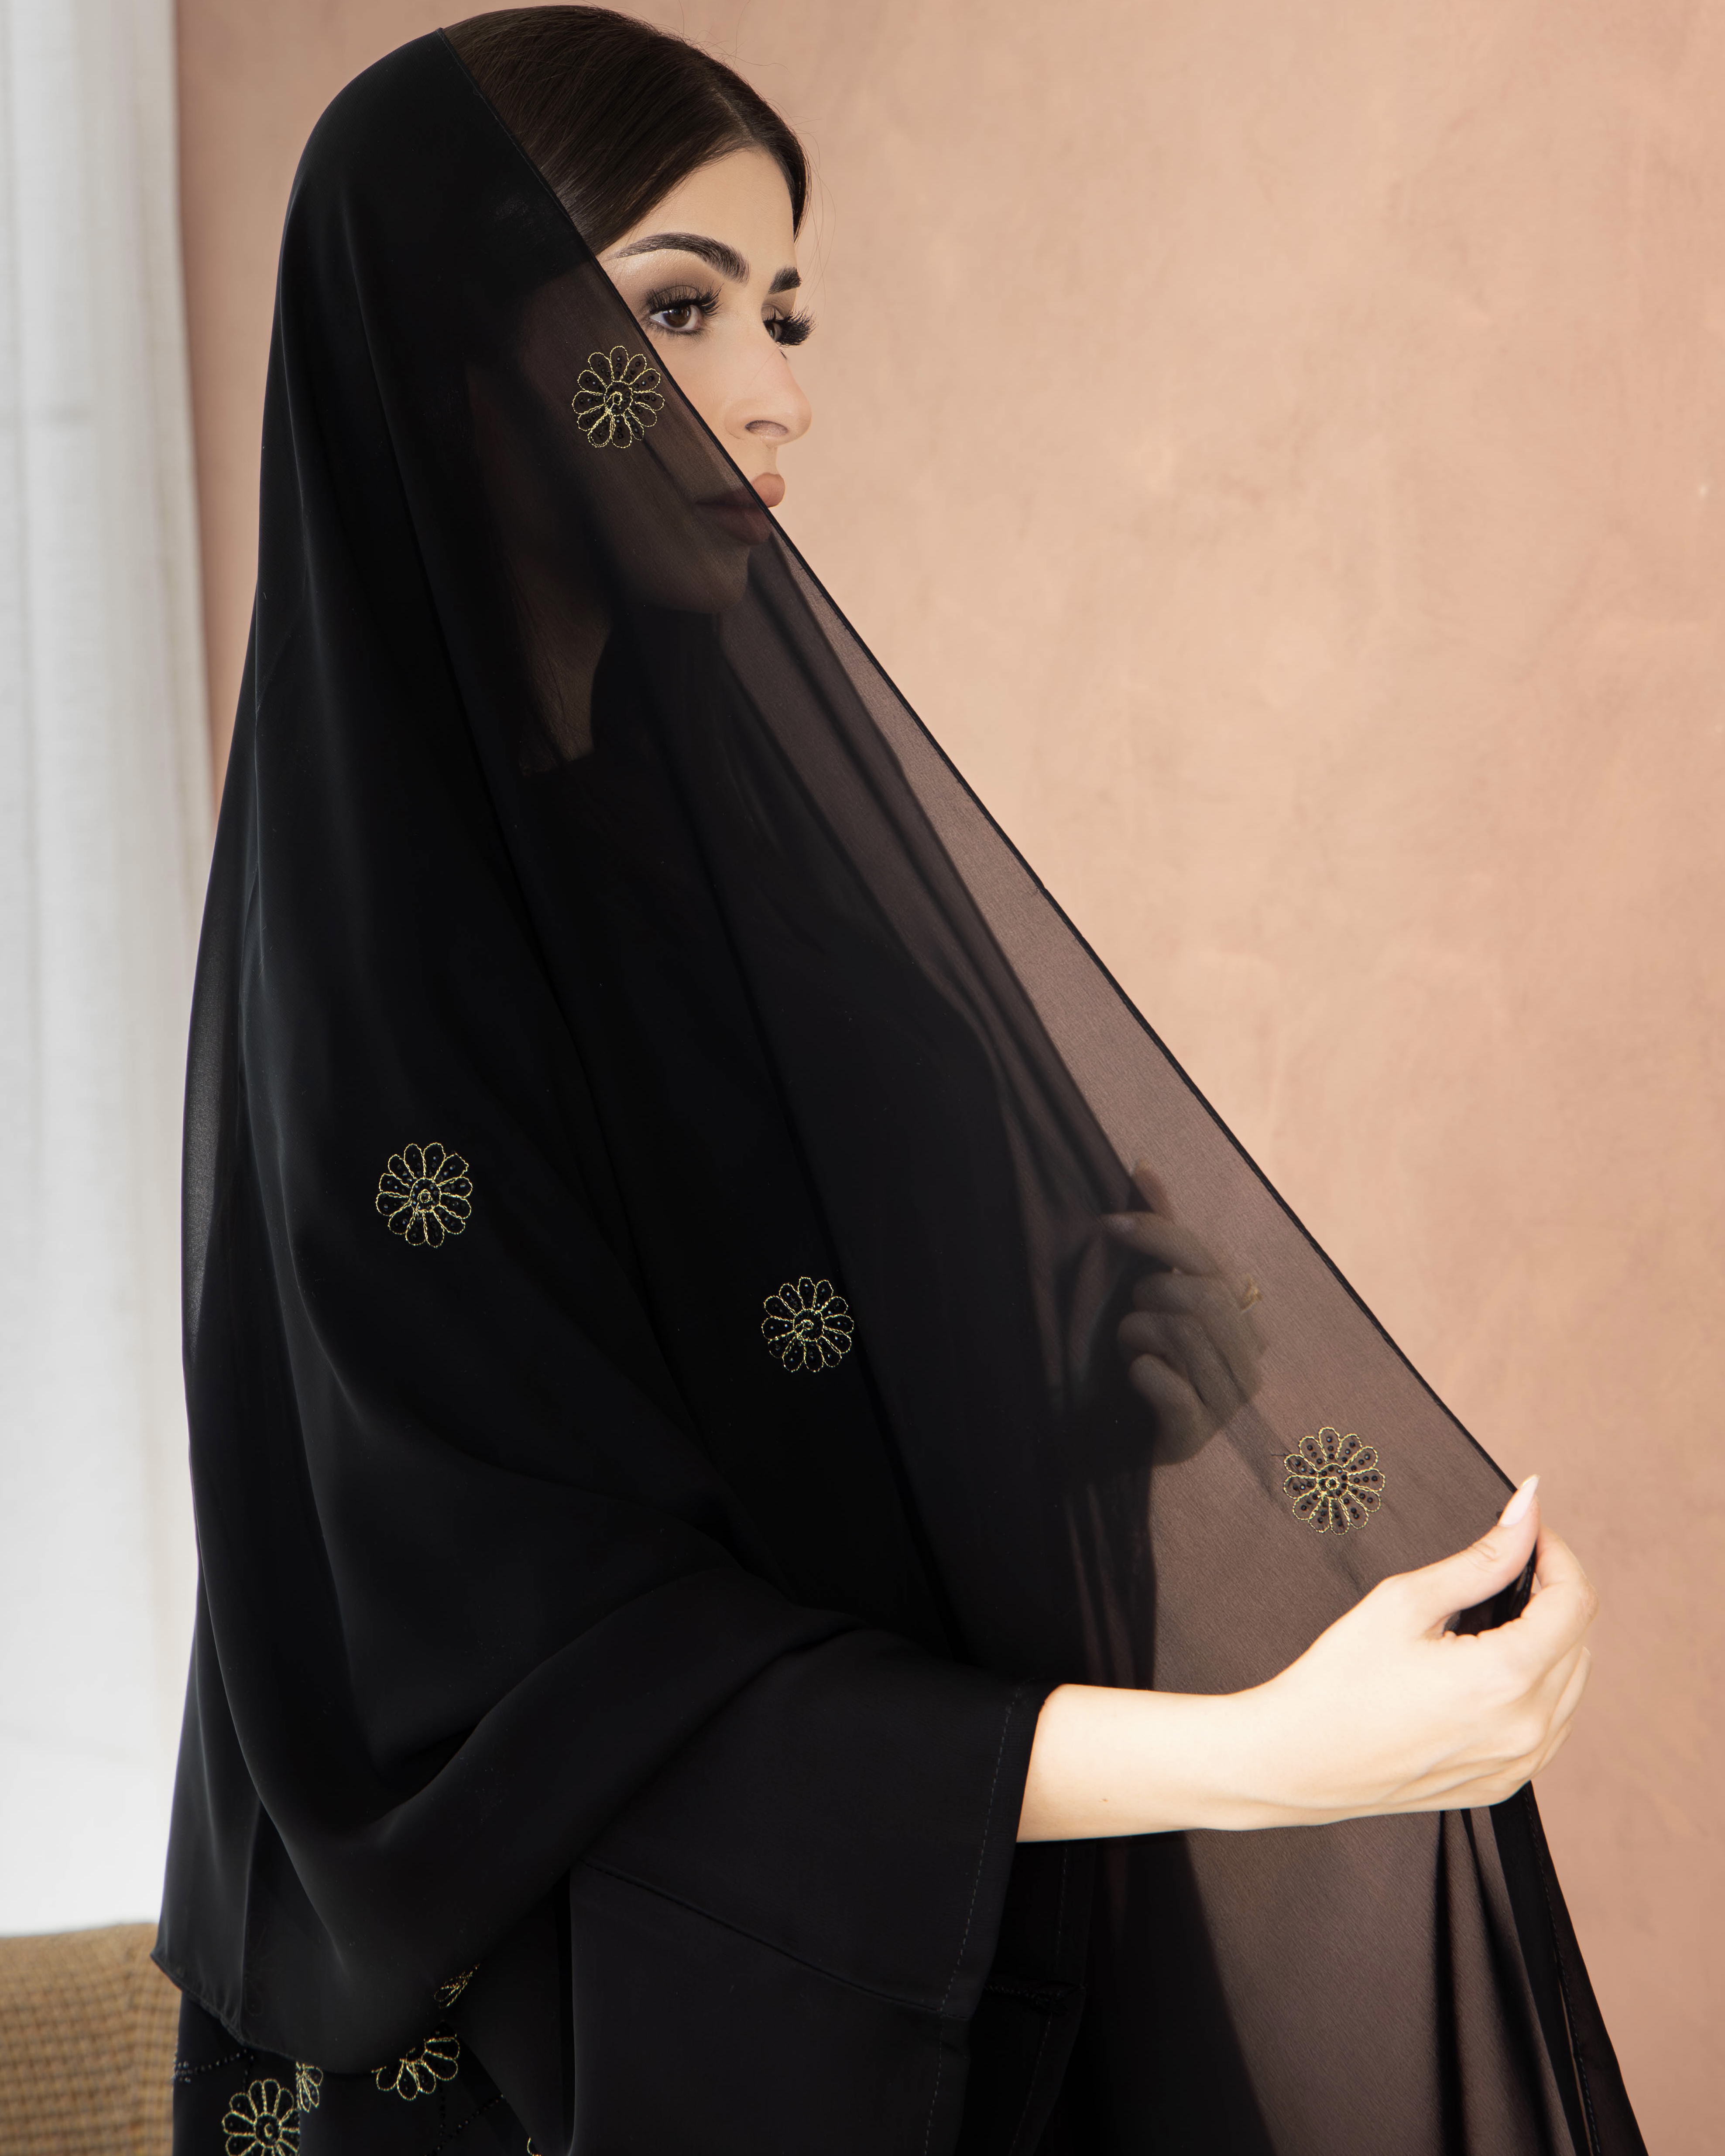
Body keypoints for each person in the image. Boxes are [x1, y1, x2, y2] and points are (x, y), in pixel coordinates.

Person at [157, 11, 1643, 2154]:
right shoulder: (378, 987)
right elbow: (550, 1698)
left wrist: (1087, 1388)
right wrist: (1276, 1754)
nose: (777, 392)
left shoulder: (745, 889)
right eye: (673, 308)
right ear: (443, 351)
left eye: (783, 314)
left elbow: (783, 1423)